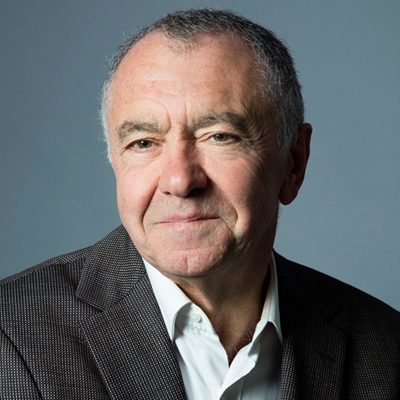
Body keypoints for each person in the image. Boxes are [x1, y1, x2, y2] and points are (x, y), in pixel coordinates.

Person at [1, 9, 399, 400]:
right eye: (143, 143)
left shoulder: (386, 349)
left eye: (219, 136)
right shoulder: (11, 339)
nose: (179, 181)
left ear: (293, 163)